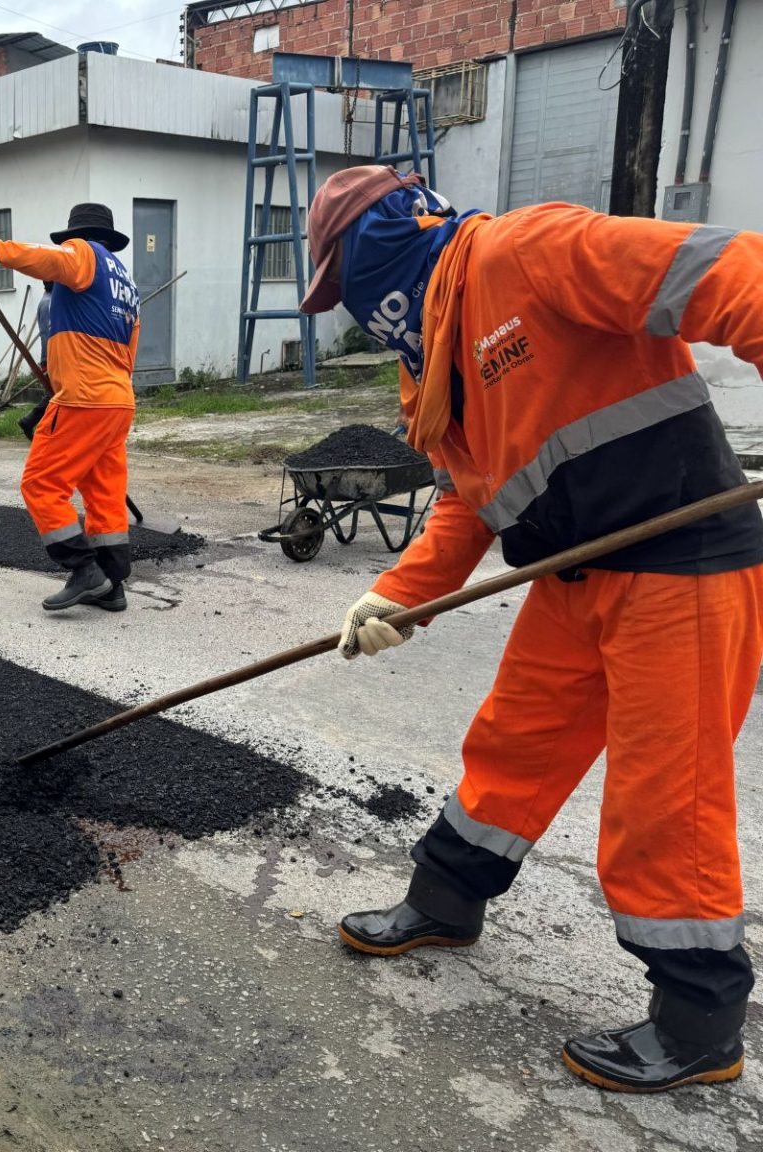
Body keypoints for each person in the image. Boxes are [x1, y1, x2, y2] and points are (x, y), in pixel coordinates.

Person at [300, 164, 763, 1092]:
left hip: (683, 563)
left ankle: (700, 1019)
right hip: (571, 574)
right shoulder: (428, 365)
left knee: (665, 801)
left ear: (385, 242)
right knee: (512, 745)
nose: (353, 307)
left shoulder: (529, 251)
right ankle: (445, 900)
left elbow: (737, 275)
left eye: (345, 278)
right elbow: (470, 503)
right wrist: (398, 594)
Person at [0, 205, 140, 613]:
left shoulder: (82, 253)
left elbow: (48, 259)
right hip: (118, 400)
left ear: (76, 235)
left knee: (41, 485)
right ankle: (112, 584)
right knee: (105, 493)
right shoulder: (126, 284)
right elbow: (128, 352)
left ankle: (84, 570)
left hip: (84, 399)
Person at [16, 280, 56, 438]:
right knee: (56, 395)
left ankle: (30, 422)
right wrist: (49, 361)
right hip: (51, 357)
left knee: (53, 395)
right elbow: (48, 335)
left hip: (52, 356)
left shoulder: (51, 299)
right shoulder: (48, 303)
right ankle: (35, 424)